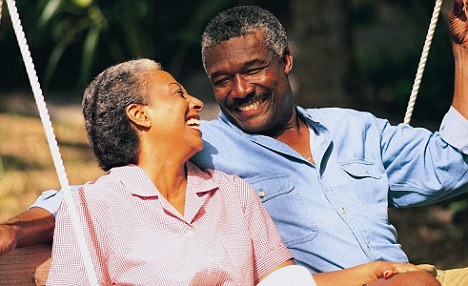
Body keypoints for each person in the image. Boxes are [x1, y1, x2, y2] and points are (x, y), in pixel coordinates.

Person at [0, 0, 466, 285]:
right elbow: (90, 201)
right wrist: (15, 231)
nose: (238, 91)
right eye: (221, 80)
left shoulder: (354, 130)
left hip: (414, 275)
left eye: (252, 70)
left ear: (285, 61)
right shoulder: (205, 150)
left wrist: (463, 52)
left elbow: (452, 164)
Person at [47, 58, 427, 286]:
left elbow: (282, 283)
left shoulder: (230, 192)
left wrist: (371, 271)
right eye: (178, 93)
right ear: (140, 115)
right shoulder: (90, 208)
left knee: (418, 283)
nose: (197, 102)